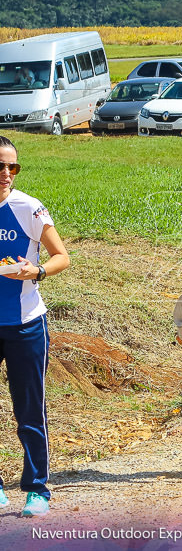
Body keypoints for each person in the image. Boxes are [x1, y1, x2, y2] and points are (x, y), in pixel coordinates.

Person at [0, 135, 71, 518]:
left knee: (29, 410)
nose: (7, 174)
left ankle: (36, 489)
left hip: (26, 324)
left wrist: (37, 270)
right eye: (0, 166)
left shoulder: (29, 208)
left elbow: (62, 256)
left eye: (13, 166)